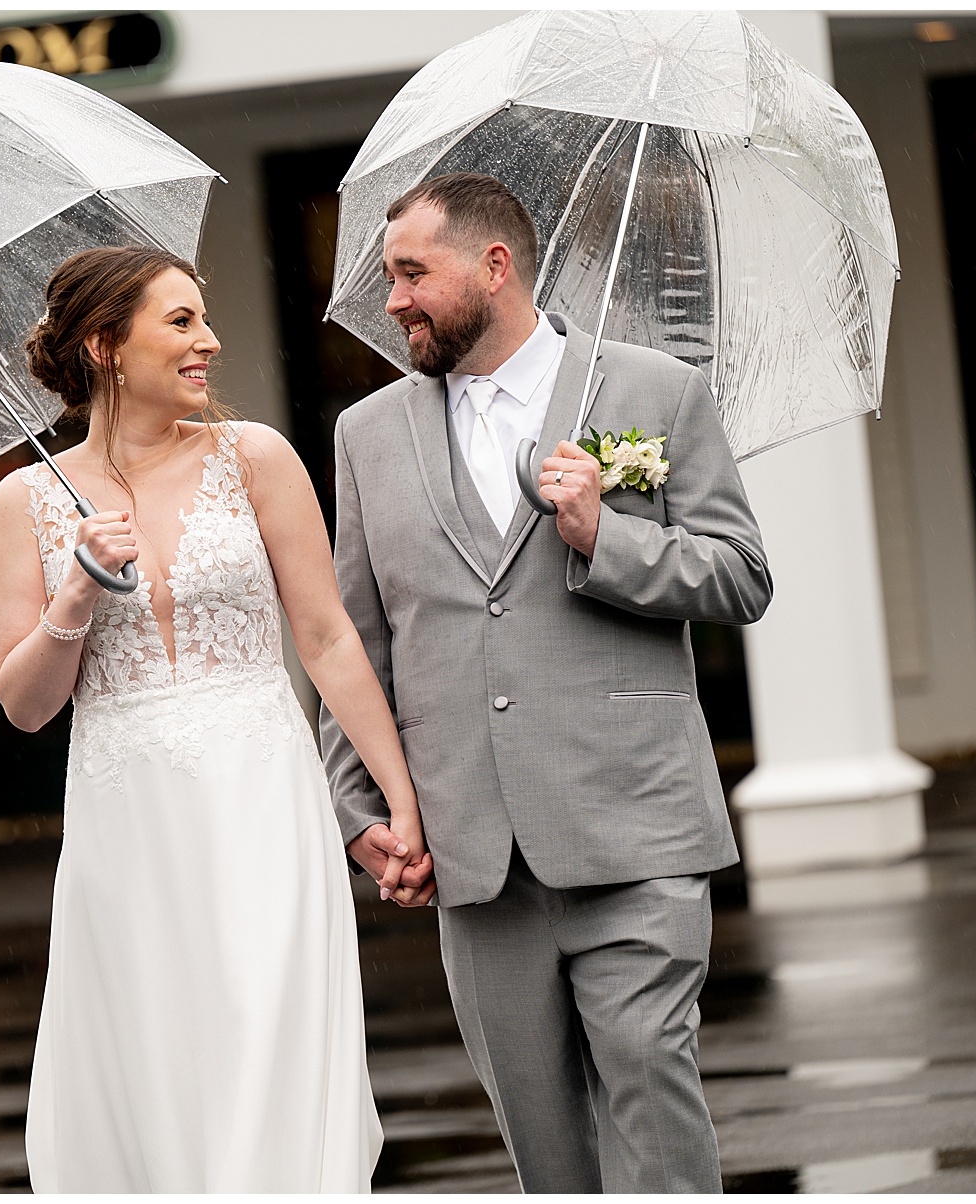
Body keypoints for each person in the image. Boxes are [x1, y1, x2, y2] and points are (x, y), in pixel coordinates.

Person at [321, 172, 773, 1193]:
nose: (391, 300)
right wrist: (358, 808)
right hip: (474, 857)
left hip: (634, 829)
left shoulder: (655, 391)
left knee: (653, 1087)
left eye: (409, 274)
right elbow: (354, 641)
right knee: (547, 1151)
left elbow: (742, 575)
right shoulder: (367, 435)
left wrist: (603, 534)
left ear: (495, 265)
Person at [0, 245, 428, 1192]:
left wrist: (399, 797)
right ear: (106, 344)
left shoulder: (255, 456)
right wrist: (75, 597)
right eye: (179, 322)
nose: (209, 341)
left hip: (263, 794)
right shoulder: (26, 503)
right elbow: (24, 707)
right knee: (157, 1054)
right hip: (127, 817)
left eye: (204, 317)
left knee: (270, 1030)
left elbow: (328, 637)